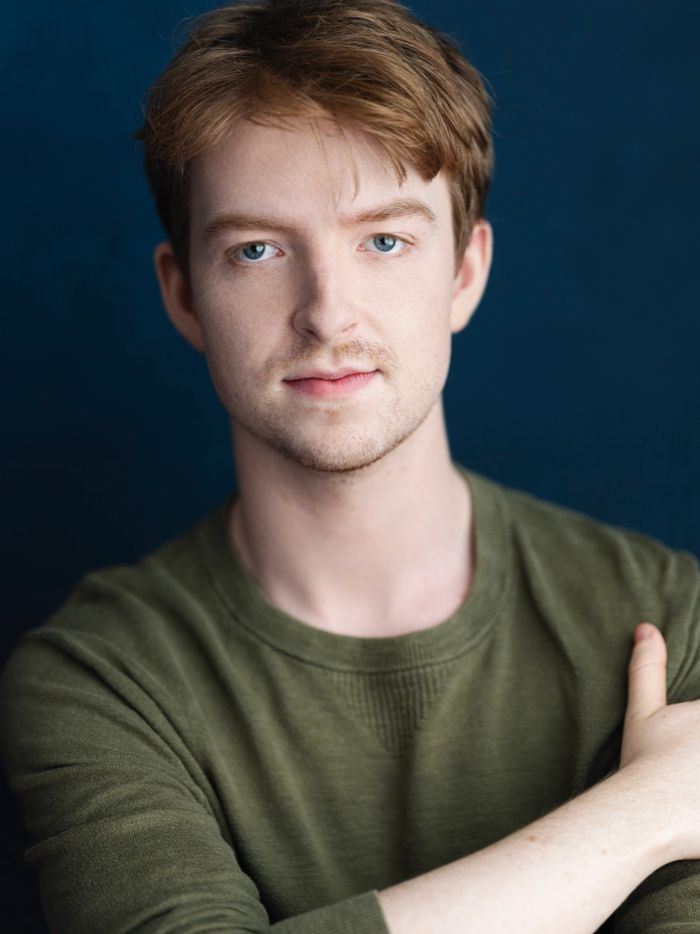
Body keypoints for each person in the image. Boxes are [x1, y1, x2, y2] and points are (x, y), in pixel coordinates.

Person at [2, 0, 700, 930]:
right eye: (256, 250)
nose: (327, 314)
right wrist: (640, 817)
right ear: (184, 296)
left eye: (384, 240)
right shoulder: (99, 677)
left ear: (465, 272)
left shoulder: (666, 616)